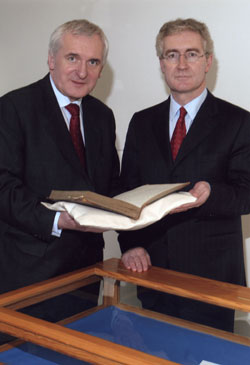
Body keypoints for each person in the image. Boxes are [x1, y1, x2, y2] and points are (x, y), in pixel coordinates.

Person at [118, 18, 250, 332]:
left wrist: (211, 192)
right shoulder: (141, 122)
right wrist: (130, 245)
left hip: (212, 277)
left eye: (191, 53)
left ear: (208, 62)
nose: (181, 63)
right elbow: (125, 192)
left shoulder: (239, 121)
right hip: (151, 271)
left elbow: (247, 192)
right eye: (171, 54)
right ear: (161, 63)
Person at [0, 19, 119, 322]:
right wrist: (57, 220)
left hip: (85, 272)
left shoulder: (103, 117)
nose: (83, 72)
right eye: (72, 58)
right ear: (51, 59)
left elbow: (110, 188)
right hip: (28, 274)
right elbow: (3, 187)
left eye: (93, 61)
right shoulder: (14, 107)